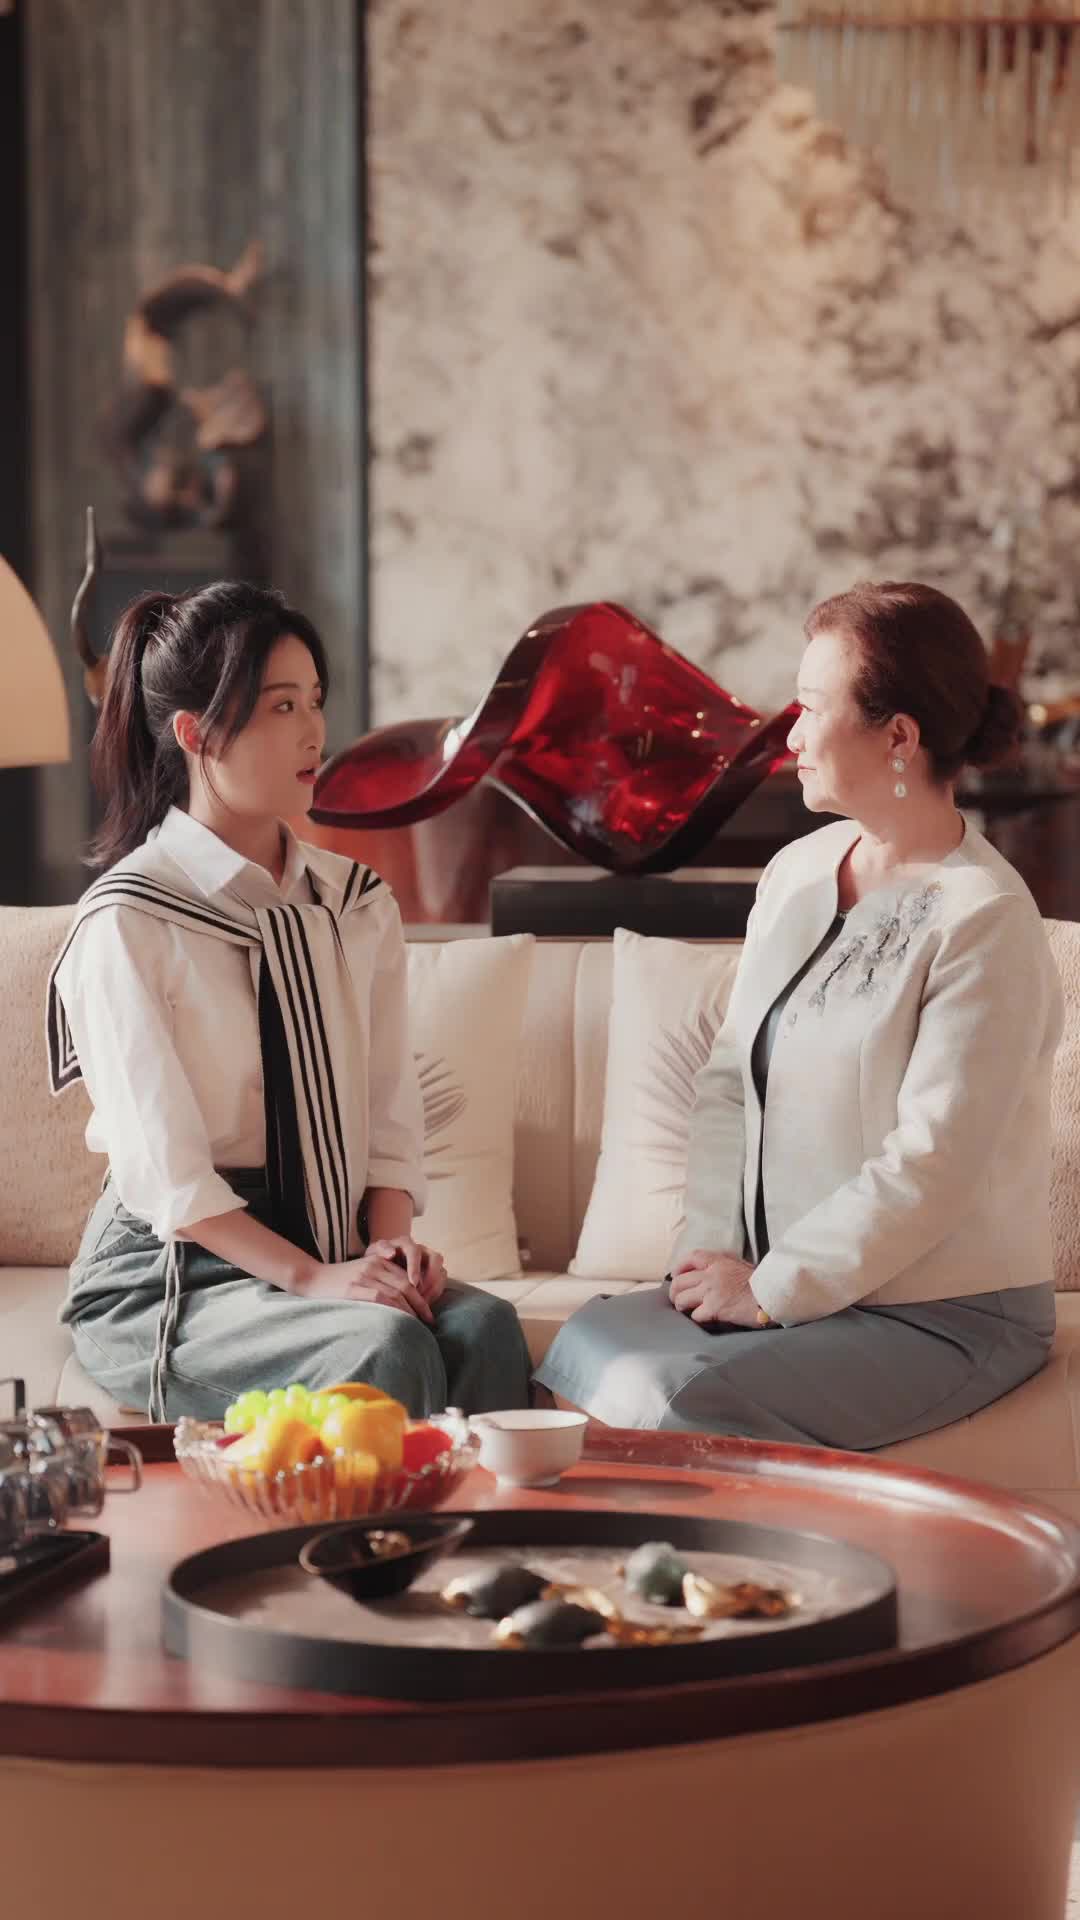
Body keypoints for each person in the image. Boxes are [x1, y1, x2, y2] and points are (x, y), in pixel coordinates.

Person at [536, 581, 1063, 1447]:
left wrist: (771, 1290)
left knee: (673, 1397)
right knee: (585, 1341)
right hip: (794, 1286)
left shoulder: (985, 919)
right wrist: (709, 1256)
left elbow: (932, 1163)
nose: (791, 735)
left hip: (943, 1312)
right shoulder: (796, 873)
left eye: (813, 708)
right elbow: (726, 1081)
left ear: (898, 736)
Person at [49, 582, 531, 1422]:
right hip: (171, 1274)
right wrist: (316, 1279)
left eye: (314, 700)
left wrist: (389, 1248)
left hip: (328, 1235)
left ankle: (469, 1519)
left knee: (484, 1331)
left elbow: (387, 1118)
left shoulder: (355, 904)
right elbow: (170, 1179)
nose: (314, 732)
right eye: (280, 707)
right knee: (384, 1347)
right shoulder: (129, 921)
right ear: (196, 734)